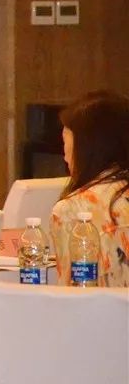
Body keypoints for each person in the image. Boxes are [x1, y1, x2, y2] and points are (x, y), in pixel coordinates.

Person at [50, 90, 129, 287]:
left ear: (85, 149)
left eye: (66, 146)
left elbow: (71, 294)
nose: (65, 158)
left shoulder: (72, 210)